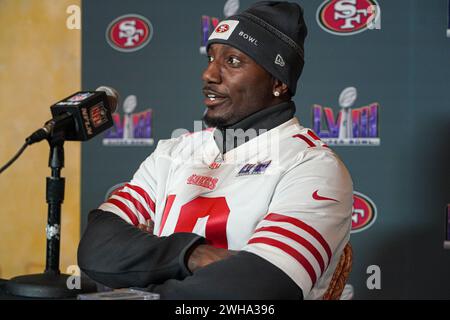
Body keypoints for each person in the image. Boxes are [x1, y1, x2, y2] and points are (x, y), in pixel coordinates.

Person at [77, 1, 353, 300]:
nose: (209, 74)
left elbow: (257, 289)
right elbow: (97, 247)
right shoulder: (174, 151)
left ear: (278, 81)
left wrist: (144, 279)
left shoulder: (312, 166)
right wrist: (194, 254)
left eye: (233, 61)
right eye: (210, 58)